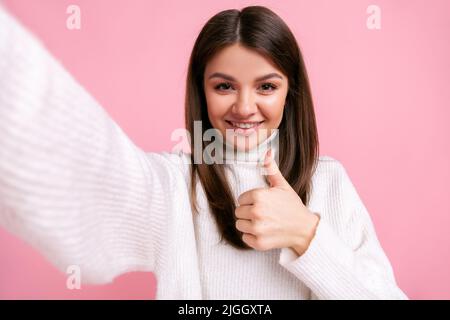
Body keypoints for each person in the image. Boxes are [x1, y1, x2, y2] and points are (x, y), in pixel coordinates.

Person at [0, 5, 407, 299]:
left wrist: (306, 234)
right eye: (224, 86)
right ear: (202, 91)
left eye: (266, 86)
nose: (245, 107)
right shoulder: (176, 184)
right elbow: (84, 170)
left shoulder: (329, 182)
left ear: (290, 93)